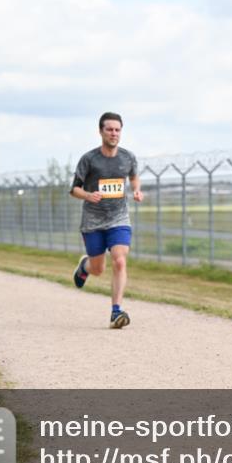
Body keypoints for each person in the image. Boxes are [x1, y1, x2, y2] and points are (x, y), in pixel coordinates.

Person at [70, 112, 143, 328]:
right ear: (101, 131)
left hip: (119, 218)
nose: (114, 133)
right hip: (93, 221)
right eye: (109, 129)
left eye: (117, 129)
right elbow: (74, 189)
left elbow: (133, 177)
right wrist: (88, 195)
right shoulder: (89, 159)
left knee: (120, 260)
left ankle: (116, 312)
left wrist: (137, 191)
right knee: (98, 269)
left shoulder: (128, 157)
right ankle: (85, 266)